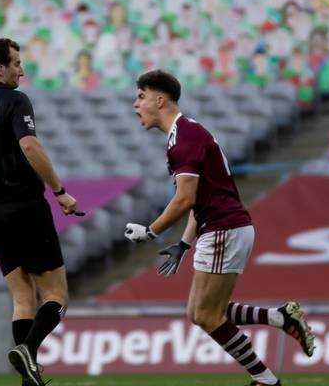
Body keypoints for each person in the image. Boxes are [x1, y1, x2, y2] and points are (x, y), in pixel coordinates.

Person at [125, 69, 315, 386]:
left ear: (160, 100)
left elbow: (184, 198)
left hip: (224, 229)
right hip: (222, 226)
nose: (135, 104)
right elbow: (199, 198)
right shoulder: (187, 133)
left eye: (141, 97)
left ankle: (265, 379)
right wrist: (184, 244)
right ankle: (279, 318)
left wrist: (151, 231)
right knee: (198, 312)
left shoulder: (182, 140)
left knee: (207, 315)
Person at [0, 38, 78, 386]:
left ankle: (29, 380)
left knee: (22, 297)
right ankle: (29, 350)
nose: (22, 71)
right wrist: (60, 191)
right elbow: (29, 144)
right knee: (56, 295)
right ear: (0, 68)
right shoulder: (15, 100)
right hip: (26, 206)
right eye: (17, 63)